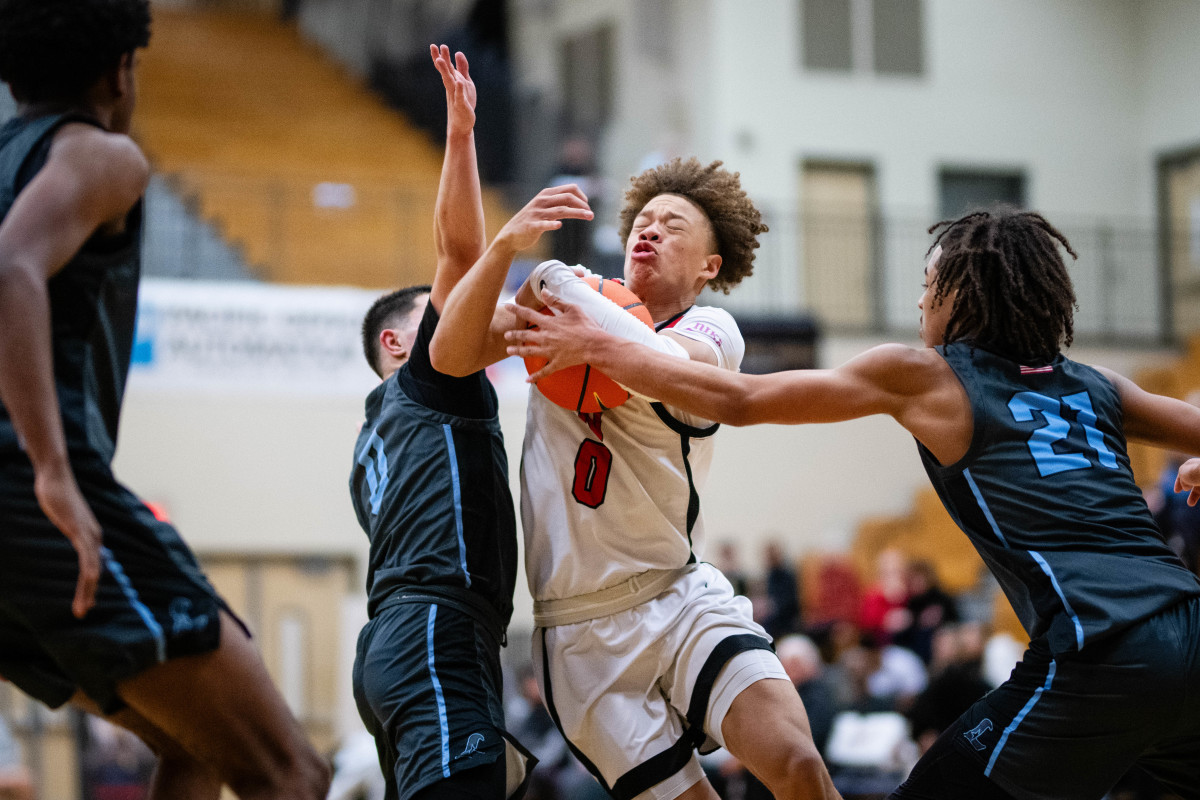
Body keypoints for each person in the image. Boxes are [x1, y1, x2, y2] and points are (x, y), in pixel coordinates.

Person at [506, 205, 1200, 799]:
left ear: (962, 294)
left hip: (1101, 644)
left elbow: (740, 400)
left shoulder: (923, 374)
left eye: (928, 283)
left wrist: (597, 343)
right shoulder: (1096, 384)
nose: (920, 302)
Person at [0, 2, 328, 798]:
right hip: (33, 494)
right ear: (121, 70)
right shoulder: (101, 155)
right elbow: (10, 267)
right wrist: (50, 467)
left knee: (195, 745)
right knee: (292, 773)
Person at [435, 157, 840, 800]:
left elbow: (660, 359)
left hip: (679, 595)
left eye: (673, 226)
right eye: (642, 222)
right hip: (579, 631)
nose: (649, 231)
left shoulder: (708, 331)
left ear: (710, 265)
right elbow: (448, 356)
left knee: (796, 763)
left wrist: (563, 297)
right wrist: (509, 249)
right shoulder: (570, 304)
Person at [349, 45, 545, 800]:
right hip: (436, 632)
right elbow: (460, 253)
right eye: (431, 315)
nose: (462, 319)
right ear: (398, 343)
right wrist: (461, 136)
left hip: (399, 644)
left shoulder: (374, 438)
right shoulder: (429, 382)